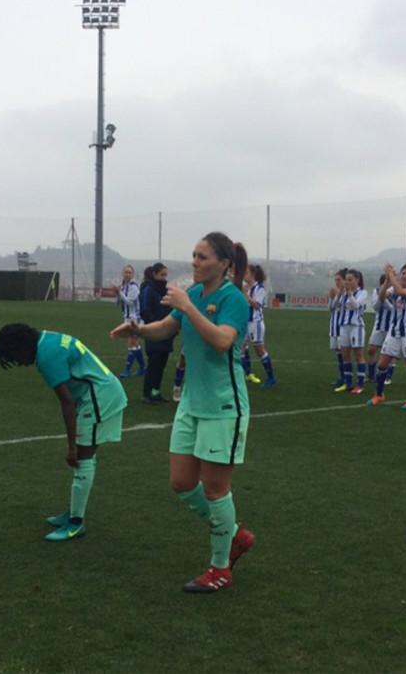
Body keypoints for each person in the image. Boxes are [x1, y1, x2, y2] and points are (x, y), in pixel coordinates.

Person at [110, 232, 255, 593]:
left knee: (216, 489)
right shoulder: (191, 295)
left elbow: (223, 340)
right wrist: (139, 329)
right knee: (181, 482)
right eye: (193, 255)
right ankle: (234, 534)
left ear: (223, 263)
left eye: (203, 257)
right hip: (191, 403)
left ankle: (220, 568)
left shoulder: (233, 299)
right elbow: (168, 327)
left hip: (224, 406)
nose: (195, 262)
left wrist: (189, 309)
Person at [0, 323, 127, 541]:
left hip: (99, 396)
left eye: (15, 356)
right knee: (84, 457)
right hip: (100, 390)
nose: (19, 362)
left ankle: (76, 523)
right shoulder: (48, 338)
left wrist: (71, 446)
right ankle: (75, 511)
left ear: (22, 346)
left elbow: (66, 402)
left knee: (82, 457)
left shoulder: (46, 357)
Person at [368, 262, 406, 410]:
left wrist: (391, 274)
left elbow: (402, 292)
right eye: (403, 273)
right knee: (382, 363)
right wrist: (386, 280)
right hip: (394, 331)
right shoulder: (393, 285)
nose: (404, 276)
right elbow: (382, 297)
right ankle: (379, 395)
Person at [139, 263, 175, 403]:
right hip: (154, 333)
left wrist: (170, 325)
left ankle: (156, 392)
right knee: (153, 364)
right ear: (154, 274)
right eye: (162, 275)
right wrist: (158, 325)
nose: (164, 278)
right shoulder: (149, 290)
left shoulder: (165, 290)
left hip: (166, 334)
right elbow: (145, 311)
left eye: (165, 275)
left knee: (161, 364)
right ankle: (147, 394)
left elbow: (170, 309)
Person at [241, 264, 277, 388]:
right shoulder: (246, 287)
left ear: (252, 274)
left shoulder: (259, 288)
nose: (244, 275)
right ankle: (246, 374)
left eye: (246, 273)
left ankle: (271, 377)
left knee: (260, 350)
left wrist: (245, 295)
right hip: (245, 322)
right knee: (241, 347)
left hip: (255, 323)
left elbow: (257, 305)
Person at [335, 269, 367, 394]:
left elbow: (356, 306)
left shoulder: (362, 293)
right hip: (344, 326)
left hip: (356, 326)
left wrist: (349, 294)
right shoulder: (344, 293)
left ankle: (360, 384)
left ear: (357, 280)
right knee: (345, 356)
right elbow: (335, 306)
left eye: (350, 280)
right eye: (346, 280)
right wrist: (340, 294)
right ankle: (347, 383)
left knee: (358, 355)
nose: (347, 282)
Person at [365, 273, 396, 388]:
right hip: (378, 326)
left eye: (389, 283)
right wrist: (382, 298)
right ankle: (371, 376)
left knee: (390, 353)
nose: (387, 286)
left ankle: (388, 377)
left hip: (391, 326)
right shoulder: (376, 291)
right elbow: (375, 306)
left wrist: (383, 299)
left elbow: (393, 309)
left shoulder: (395, 292)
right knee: (371, 350)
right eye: (385, 283)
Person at [117, 265, 145, 378]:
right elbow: (122, 302)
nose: (127, 274)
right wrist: (118, 295)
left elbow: (129, 302)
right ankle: (143, 367)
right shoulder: (124, 286)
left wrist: (119, 293)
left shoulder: (134, 286)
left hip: (135, 318)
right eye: (125, 272)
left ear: (133, 274)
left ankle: (127, 370)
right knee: (135, 343)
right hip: (128, 317)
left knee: (131, 342)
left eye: (129, 272)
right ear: (122, 273)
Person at [328, 269, 348, 386]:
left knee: (344, 353)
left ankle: (347, 378)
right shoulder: (335, 292)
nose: (337, 282)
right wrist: (332, 297)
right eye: (335, 280)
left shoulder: (349, 293)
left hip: (343, 327)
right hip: (334, 327)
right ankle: (342, 377)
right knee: (338, 353)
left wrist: (339, 293)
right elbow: (330, 308)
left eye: (339, 280)